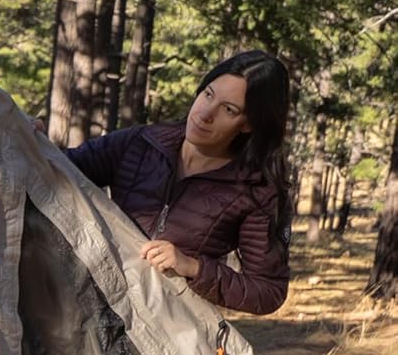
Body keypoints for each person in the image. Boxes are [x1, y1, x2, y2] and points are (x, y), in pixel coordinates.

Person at [50, 51, 293, 315]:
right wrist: (30, 140)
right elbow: (61, 170)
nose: (205, 113)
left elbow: (268, 291)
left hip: (163, 336)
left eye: (228, 109)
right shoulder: (142, 143)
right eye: (208, 94)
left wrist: (193, 267)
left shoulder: (255, 190)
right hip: (85, 310)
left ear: (248, 125)